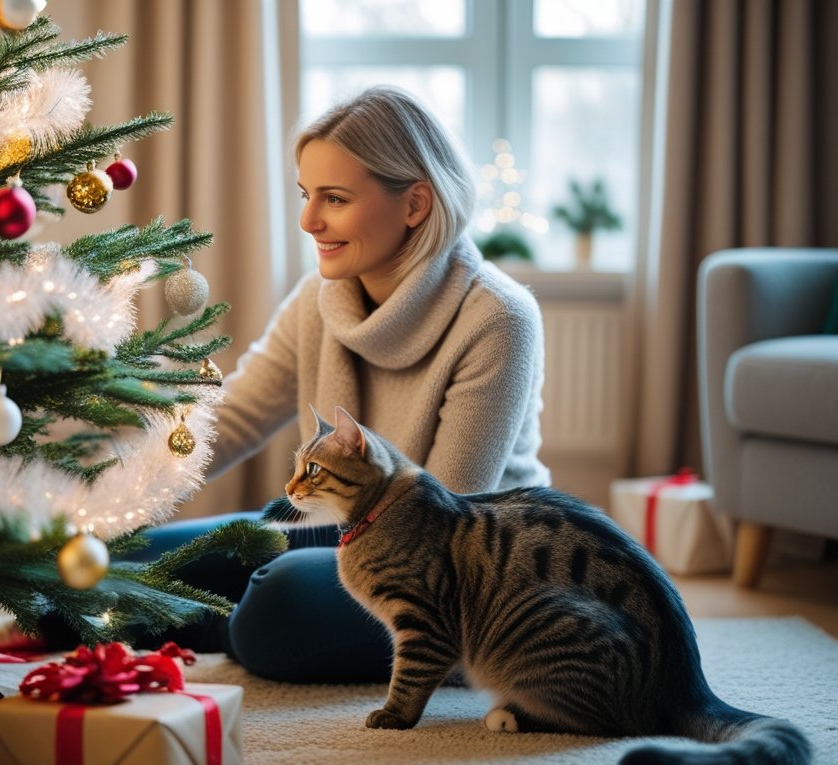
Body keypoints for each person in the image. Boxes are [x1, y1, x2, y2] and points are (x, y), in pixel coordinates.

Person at [133, 85, 551, 682]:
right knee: (113, 560)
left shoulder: (499, 317)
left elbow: (439, 523)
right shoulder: (318, 299)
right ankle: (186, 615)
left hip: (447, 578)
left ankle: (200, 621)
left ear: (415, 204)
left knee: (278, 598)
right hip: (341, 535)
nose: (308, 221)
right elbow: (233, 418)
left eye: (334, 198)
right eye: (306, 195)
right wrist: (114, 495)